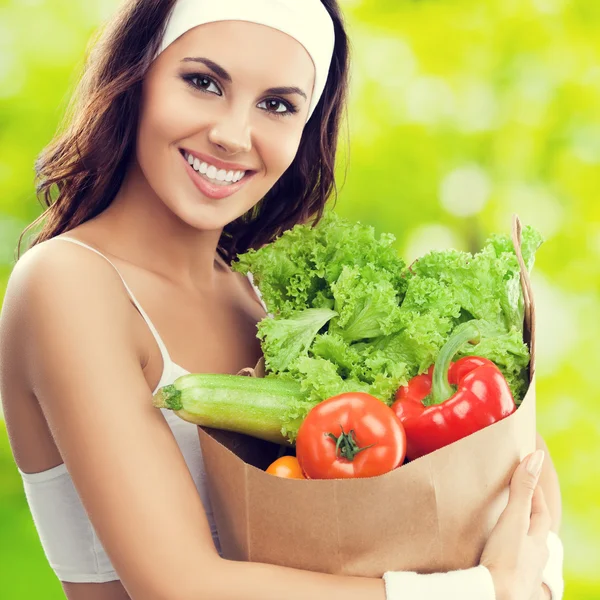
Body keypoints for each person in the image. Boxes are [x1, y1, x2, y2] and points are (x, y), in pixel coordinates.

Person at [0, 1, 564, 599]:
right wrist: (480, 590)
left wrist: (530, 559)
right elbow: (179, 587)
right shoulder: (67, 283)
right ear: (136, 77)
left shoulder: (273, 300)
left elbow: (517, 497)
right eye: (203, 82)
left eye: (276, 105)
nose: (232, 134)